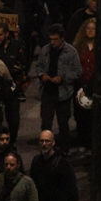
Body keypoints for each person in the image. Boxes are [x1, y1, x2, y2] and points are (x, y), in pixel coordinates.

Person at [28, 25, 82, 153]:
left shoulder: (71, 52)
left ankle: (64, 151)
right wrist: (42, 75)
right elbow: (39, 66)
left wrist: (62, 78)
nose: (52, 42)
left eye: (55, 39)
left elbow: (78, 71)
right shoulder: (46, 50)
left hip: (63, 94)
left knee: (63, 124)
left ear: (62, 38)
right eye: (50, 39)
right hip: (48, 92)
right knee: (46, 123)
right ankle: (46, 148)